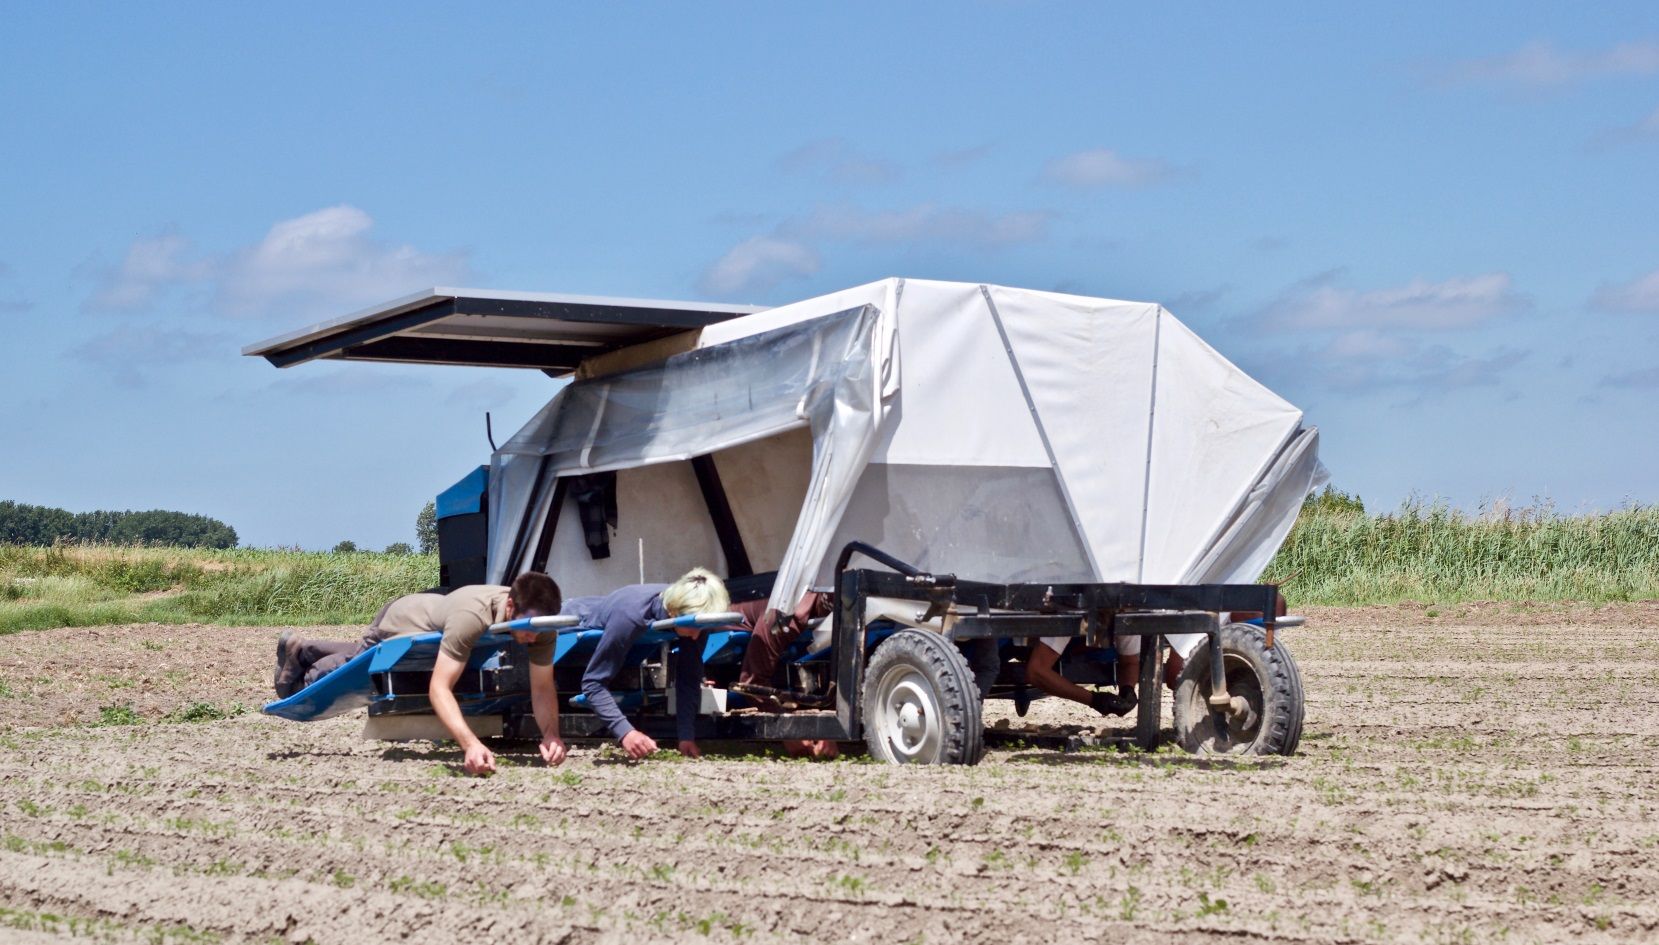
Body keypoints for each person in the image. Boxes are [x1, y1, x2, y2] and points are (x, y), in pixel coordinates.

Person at [273, 574, 567, 776]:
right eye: (527, 628)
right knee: (360, 667)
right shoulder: (471, 617)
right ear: (511, 607)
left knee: (357, 656)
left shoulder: (540, 626)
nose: (532, 637)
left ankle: (306, 648)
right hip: (401, 620)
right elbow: (439, 688)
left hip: (436, 619)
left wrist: (551, 734)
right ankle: (298, 675)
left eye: (538, 631)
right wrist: (470, 744)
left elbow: (541, 687)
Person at [572, 568, 730, 761]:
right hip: (574, 618)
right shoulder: (630, 614)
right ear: (672, 611)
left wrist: (686, 736)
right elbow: (593, 683)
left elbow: (688, 678)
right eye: (693, 628)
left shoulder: (695, 618)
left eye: (702, 628)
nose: (697, 635)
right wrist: (626, 733)